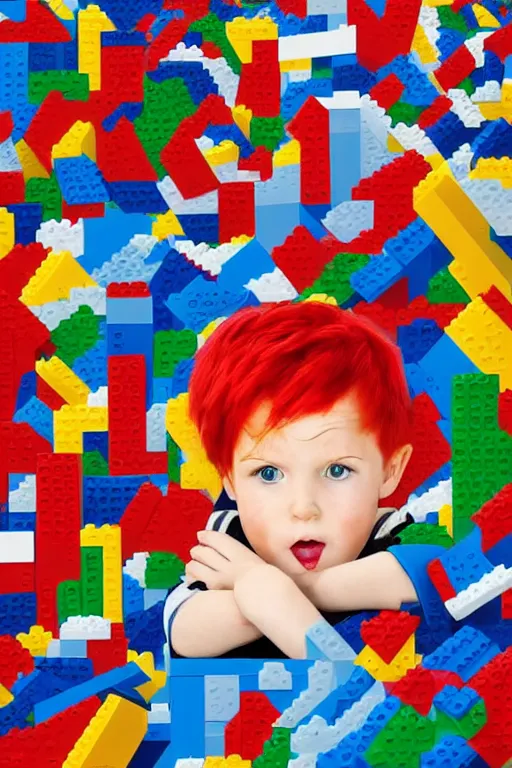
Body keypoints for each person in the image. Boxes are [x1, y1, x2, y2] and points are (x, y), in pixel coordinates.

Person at [163, 301, 447, 659]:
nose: (303, 508)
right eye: (268, 474)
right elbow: (184, 631)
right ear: (230, 480)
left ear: (389, 471)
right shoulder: (227, 542)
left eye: (337, 470)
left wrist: (264, 585)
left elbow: (436, 574)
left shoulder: (393, 536)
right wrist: (267, 588)